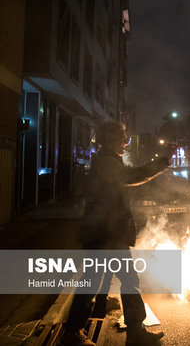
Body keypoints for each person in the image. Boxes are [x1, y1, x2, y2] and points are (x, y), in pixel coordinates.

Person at [62, 121, 168, 346]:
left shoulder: (109, 160)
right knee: (95, 280)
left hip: (110, 232)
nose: (125, 141)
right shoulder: (106, 162)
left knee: (126, 279)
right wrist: (163, 162)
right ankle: (73, 332)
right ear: (110, 139)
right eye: (122, 137)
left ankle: (135, 331)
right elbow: (132, 177)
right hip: (103, 233)